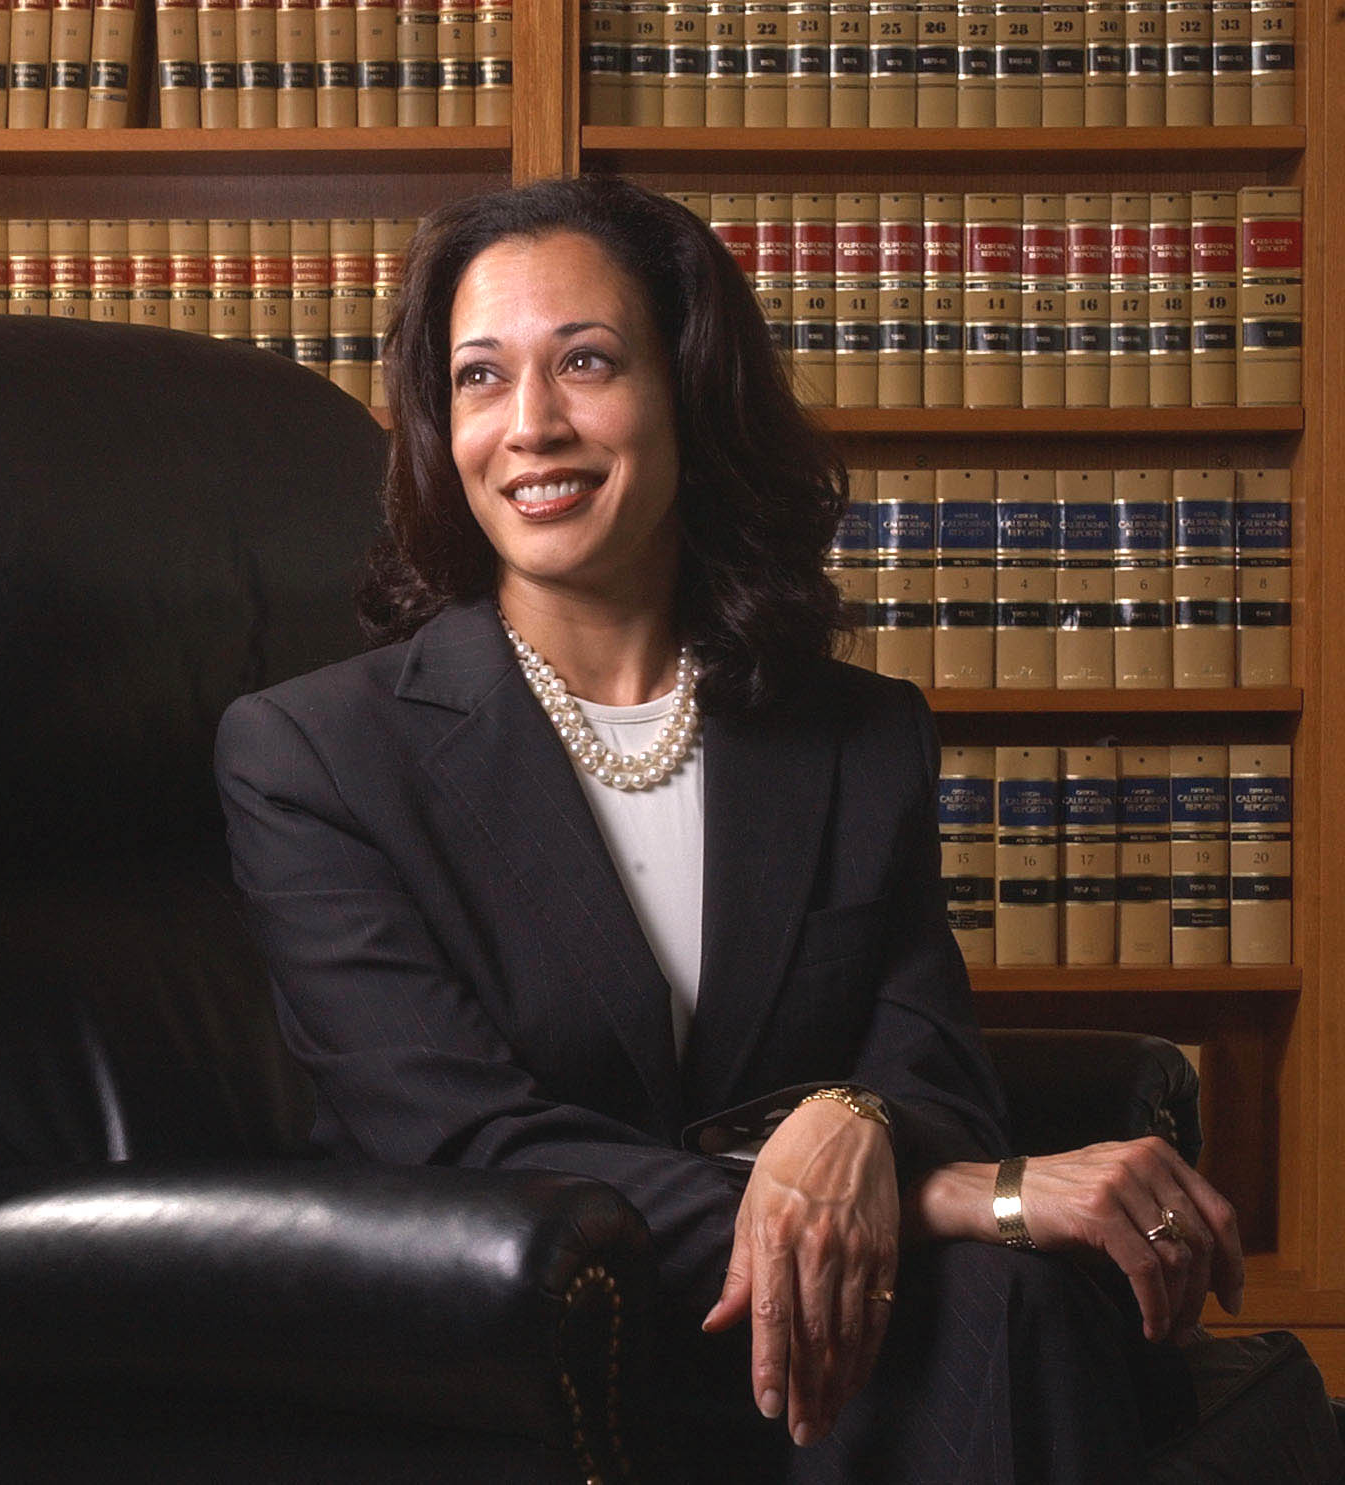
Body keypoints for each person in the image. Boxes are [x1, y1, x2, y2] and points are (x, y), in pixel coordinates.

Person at [213, 174, 1242, 1482]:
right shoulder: (314, 752)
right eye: (480, 378)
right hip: (525, 1344)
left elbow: (925, 1059)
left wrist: (862, 1120)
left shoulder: (856, 735)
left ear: (688, 393)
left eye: (585, 362)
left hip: (831, 1352)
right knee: (996, 1295)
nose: (529, 425)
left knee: (1010, 1305)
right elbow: (455, 1137)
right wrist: (934, 1195)